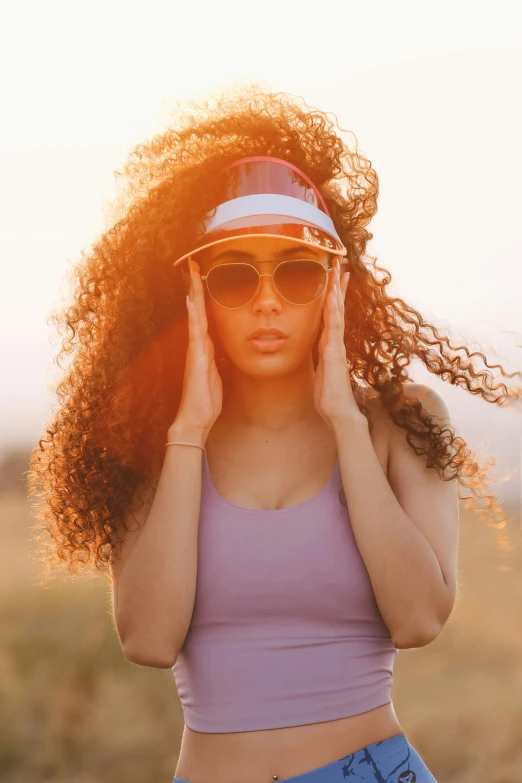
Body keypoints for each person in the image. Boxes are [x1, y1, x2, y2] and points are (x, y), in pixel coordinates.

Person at [27, 85, 519, 783]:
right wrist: (188, 432)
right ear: (192, 292)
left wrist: (347, 424)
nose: (266, 301)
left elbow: (419, 618)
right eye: (233, 276)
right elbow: (148, 637)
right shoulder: (158, 439)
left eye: (295, 272)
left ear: (335, 284)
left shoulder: (402, 418)